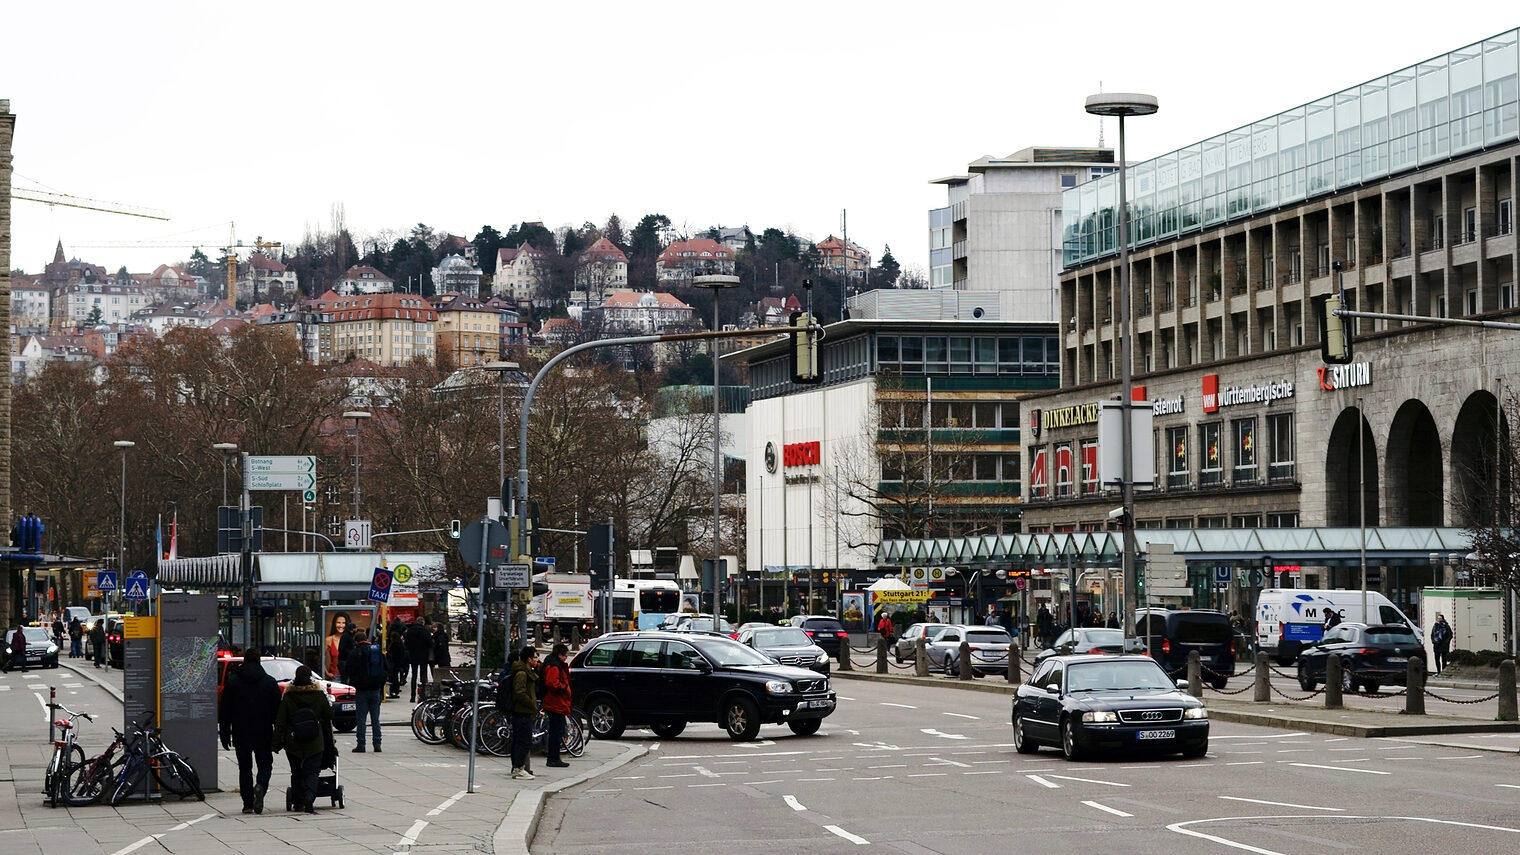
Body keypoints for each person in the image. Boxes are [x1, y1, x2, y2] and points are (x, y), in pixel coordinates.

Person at [219, 648, 281, 814]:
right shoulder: (269, 682)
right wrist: (279, 735)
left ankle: (247, 804)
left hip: (241, 732)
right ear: (259, 662)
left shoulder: (233, 682)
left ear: (244, 661)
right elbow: (277, 712)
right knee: (265, 765)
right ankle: (260, 785)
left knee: (244, 768)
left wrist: (225, 733)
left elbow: (225, 711)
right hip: (263, 732)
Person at [271, 665, 334, 814]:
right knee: (312, 771)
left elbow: (280, 721)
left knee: (297, 771)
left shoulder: (288, 696)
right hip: (315, 740)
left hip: (293, 740)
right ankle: (310, 796)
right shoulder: (319, 694)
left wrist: (276, 743)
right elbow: (329, 714)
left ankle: (298, 801)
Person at [344, 632, 385, 753]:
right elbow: (385, 668)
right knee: (375, 719)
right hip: (375, 689)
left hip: (361, 690)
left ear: (356, 641)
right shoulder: (376, 651)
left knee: (361, 718)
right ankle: (377, 744)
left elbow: (348, 669)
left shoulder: (355, 652)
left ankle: (361, 744)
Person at [508, 645, 539, 780]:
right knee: (524, 741)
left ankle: (517, 767)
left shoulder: (525, 671)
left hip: (522, 711)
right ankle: (518, 768)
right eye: (535, 657)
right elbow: (520, 692)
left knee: (519, 740)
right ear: (529, 659)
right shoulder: (522, 673)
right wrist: (531, 704)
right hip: (522, 711)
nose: (537, 660)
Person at [541, 642, 572, 769]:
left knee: (556, 731)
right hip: (555, 703)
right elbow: (552, 683)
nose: (566, 658)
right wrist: (563, 687)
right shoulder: (554, 667)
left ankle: (554, 757)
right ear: (560, 655)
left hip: (555, 702)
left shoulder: (554, 664)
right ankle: (553, 758)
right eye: (565, 656)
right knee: (556, 732)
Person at [405, 618, 433, 702]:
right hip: (423, 655)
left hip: (413, 655)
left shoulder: (410, 631)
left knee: (414, 675)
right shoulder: (425, 631)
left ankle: (412, 696)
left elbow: (406, 643)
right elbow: (430, 643)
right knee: (423, 675)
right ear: (423, 623)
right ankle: (422, 694)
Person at [387, 618, 408, 699]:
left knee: (394, 677)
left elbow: (393, 655)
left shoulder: (394, 645)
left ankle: (394, 690)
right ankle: (396, 689)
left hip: (394, 664)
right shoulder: (400, 645)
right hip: (399, 664)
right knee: (396, 677)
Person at [324, 612, 350, 680]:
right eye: (338, 622)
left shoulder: (352, 639)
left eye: (344, 623)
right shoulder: (329, 639)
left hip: (349, 676)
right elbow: (320, 658)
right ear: (334, 624)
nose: (341, 625)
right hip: (335, 676)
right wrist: (327, 673)